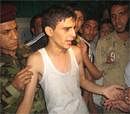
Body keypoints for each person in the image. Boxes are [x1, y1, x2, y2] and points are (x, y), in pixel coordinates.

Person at [16, 5, 124, 114]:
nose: (73, 34)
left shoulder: (76, 52)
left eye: (73, 28)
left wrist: (103, 90)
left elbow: (82, 80)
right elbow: (26, 103)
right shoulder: (37, 60)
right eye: (67, 29)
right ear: (49, 31)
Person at [0, 4, 46, 114]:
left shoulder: (26, 51)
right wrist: (14, 87)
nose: (15, 36)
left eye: (15, 29)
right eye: (6, 32)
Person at [96, 1, 130, 114]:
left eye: (122, 14)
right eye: (113, 16)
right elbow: (97, 73)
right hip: (112, 102)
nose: (117, 20)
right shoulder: (104, 42)